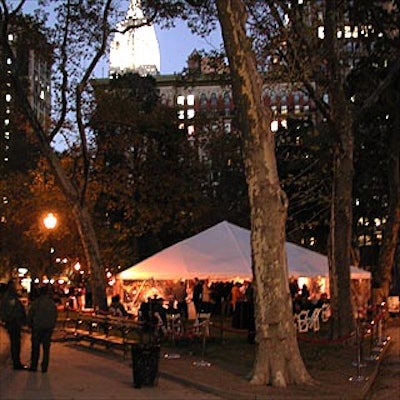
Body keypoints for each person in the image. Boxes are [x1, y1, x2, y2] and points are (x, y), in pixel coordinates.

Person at [27, 284, 58, 373]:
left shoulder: (36, 303)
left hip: (37, 327)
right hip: (48, 327)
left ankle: (34, 365)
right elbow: (55, 315)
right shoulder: (51, 303)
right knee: (46, 348)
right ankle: (44, 366)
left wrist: (30, 324)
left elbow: (30, 314)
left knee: (35, 347)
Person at [0, 279, 28, 370]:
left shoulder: (9, 297)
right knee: (15, 342)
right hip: (13, 322)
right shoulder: (10, 298)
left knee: (15, 342)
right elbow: (12, 311)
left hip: (13, 322)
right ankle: (16, 361)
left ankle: (15, 360)